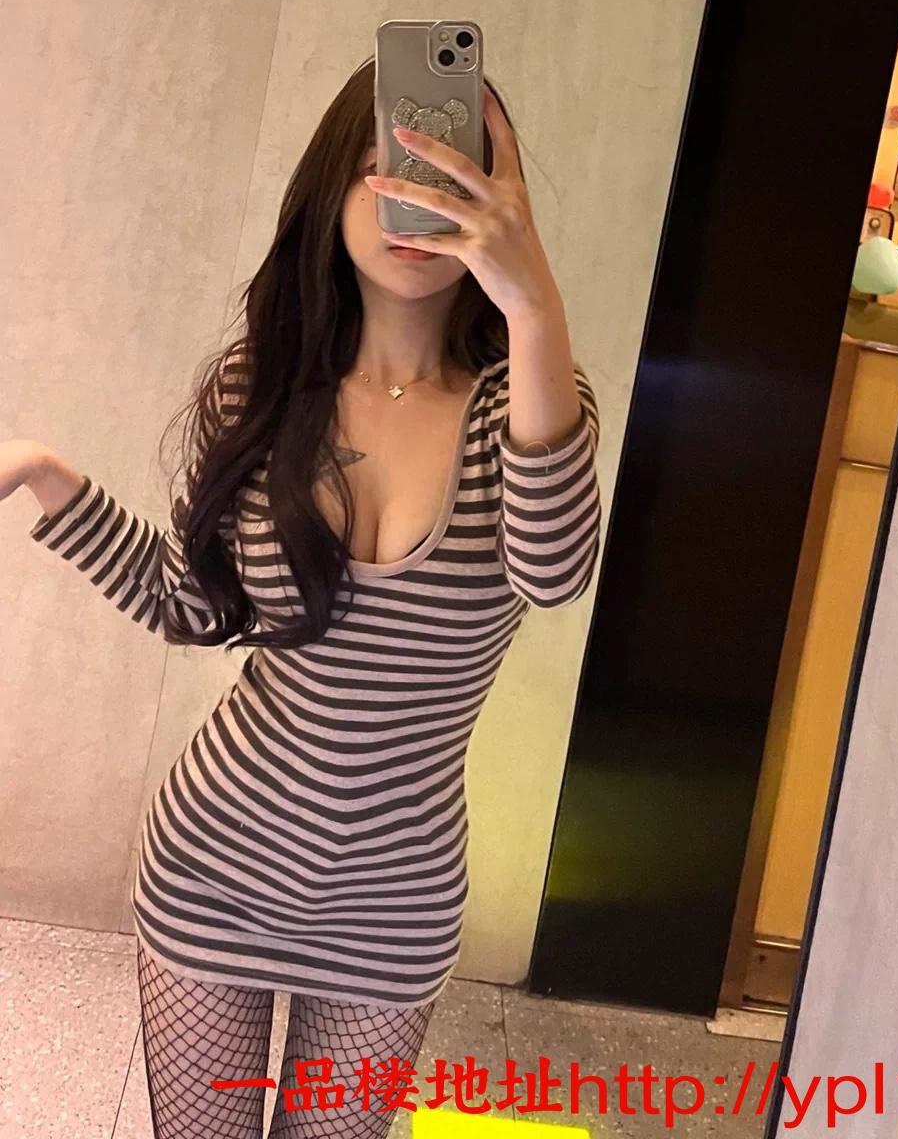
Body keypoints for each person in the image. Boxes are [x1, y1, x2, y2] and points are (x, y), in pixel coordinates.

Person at [1, 57, 602, 1138]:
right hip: (216, 859)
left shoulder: (528, 402)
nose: (415, 198)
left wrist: (535, 302)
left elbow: (554, 572)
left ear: (504, 203)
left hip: (394, 901)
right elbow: (192, 605)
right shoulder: (264, 386)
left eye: (456, 172)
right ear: (334, 188)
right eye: (386, 166)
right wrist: (46, 475)